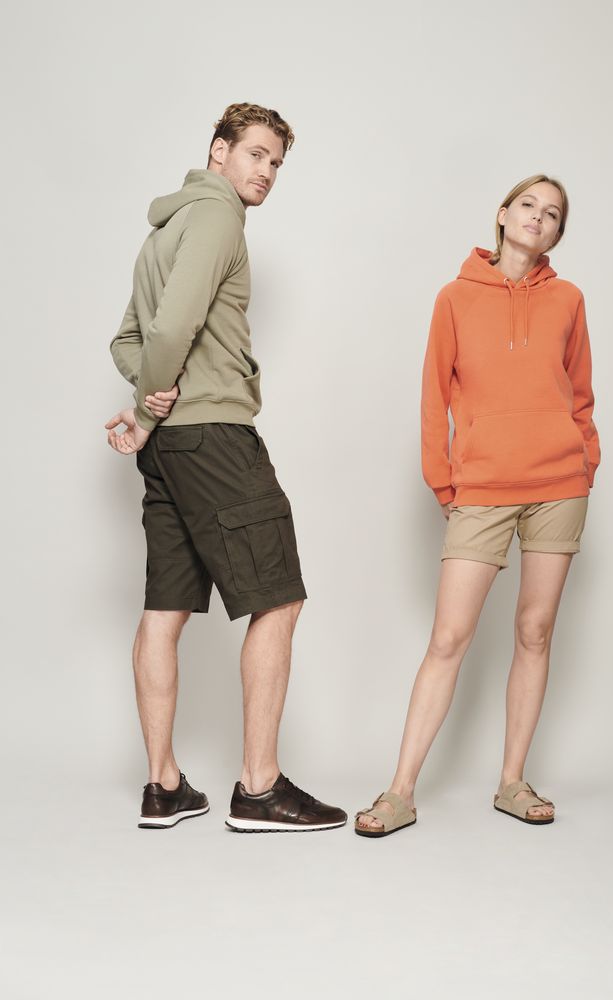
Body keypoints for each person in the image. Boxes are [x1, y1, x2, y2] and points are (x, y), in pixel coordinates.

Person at [106, 102, 346, 833]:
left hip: (169, 451)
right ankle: (259, 789)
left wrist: (147, 410)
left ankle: (163, 786)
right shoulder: (215, 217)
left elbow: (125, 341)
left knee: (164, 609)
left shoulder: (164, 229)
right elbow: (171, 328)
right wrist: (150, 405)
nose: (266, 171)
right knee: (278, 597)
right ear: (219, 151)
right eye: (255, 154)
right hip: (212, 436)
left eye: (276, 162)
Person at [355, 174, 600, 836]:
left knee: (534, 631)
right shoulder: (455, 297)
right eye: (528, 205)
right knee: (448, 638)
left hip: (558, 486)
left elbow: (580, 395)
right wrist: (444, 482)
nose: (537, 217)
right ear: (502, 214)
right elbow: (433, 395)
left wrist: (586, 460)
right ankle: (400, 792)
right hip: (483, 488)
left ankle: (512, 782)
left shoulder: (569, 299)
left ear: (557, 233)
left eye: (552, 214)